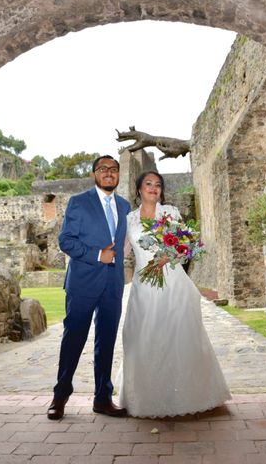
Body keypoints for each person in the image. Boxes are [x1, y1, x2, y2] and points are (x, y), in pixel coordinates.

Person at [117, 171, 231, 417]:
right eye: (148, 184)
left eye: (158, 185)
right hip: (144, 286)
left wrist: (170, 255)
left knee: (178, 337)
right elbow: (123, 251)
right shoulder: (129, 220)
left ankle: (188, 397)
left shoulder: (170, 213)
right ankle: (147, 398)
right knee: (141, 337)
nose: (153, 188)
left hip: (173, 283)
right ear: (138, 189)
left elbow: (187, 246)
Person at [47, 155, 131, 420]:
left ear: (118, 175)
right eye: (103, 169)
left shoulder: (125, 205)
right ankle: (60, 397)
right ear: (94, 174)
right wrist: (97, 255)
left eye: (114, 169)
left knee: (106, 342)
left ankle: (102, 398)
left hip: (113, 285)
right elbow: (66, 240)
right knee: (73, 340)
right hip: (82, 283)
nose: (109, 173)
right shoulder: (79, 202)